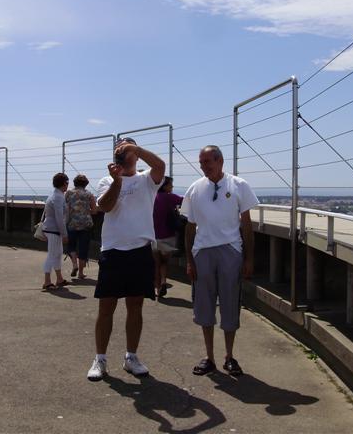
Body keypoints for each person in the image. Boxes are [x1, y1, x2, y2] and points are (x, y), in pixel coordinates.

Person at [86, 137, 165, 381]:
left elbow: (161, 166)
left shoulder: (146, 179)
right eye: (119, 147)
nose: (123, 150)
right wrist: (117, 182)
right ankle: (100, 359)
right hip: (113, 251)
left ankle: (131, 357)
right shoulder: (106, 180)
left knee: (135, 306)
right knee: (106, 307)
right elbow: (106, 207)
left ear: (137, 155)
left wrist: (137, 148)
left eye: (127, 147)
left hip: (140, 250)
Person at [183, 145, 259, 377]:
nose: (204, 166)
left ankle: (229, 356)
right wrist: (190, 259)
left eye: (207, 162)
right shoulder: (195, 188)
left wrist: (248, 258)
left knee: (229, 304)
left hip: (230, 251)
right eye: (201, 162)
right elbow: (190, 226)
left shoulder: (238, 185)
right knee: (204, 305)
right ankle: (210, 357)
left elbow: (246, 224)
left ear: (220, 161)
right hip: (203, 251)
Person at [152, 176, 183, 298]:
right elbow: (185, 201)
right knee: (164, 262)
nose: (172, 187)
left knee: (156, 263)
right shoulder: (170, 197)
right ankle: (164, 280)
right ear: (165, 186)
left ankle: (158, 288)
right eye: (171, 184)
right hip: (168, 235)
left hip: (153, 236)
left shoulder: (151, 197)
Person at [41, 173, 70, 291]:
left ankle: (59, 278)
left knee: (57, 253)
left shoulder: (56, 194)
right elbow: (59, 217)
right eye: (67, 182)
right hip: (53, 229)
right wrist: (65, 234)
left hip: (52, 228)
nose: (68, 185)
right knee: (52, 254)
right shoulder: (58, 197)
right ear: (64, 183)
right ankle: (47, 281)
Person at [65, 174, 97, 279]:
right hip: (86, 225)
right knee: (83, 248)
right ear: (86, 184)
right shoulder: (89, 194)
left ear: (74, 183)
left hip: (72, 223)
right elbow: (94, 210)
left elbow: (65, 208)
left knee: (71, 246)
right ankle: (81, 273)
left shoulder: (68, 193)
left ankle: (74, 265)